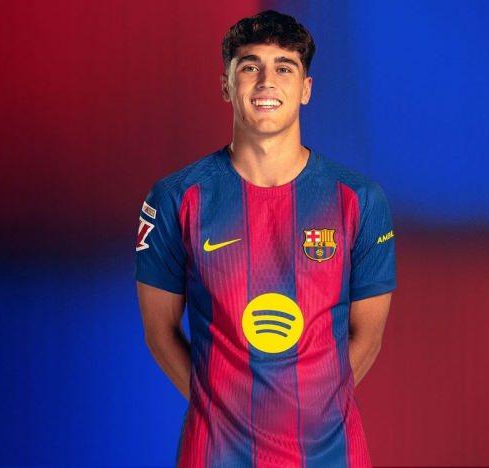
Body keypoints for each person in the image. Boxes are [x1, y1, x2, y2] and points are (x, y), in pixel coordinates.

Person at [135, 9, 396, 467]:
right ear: (225, 85)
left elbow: (367, 337)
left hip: (330, 454)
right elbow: (160, 332)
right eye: (250, 66)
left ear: (306, 88)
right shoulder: (175, 199)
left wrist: (304, 412)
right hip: (216, 452)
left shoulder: (359, 200)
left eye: (284, 68)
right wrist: (227, 411)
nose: (266, 82)